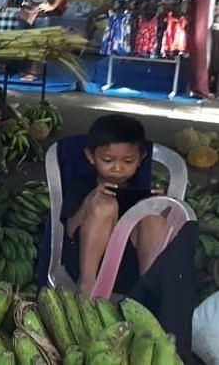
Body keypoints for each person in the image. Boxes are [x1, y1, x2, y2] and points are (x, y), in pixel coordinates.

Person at [63, 114, 167, 296]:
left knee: (152, 217)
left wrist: (159, 206)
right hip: (87, 264)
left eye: (127, 161)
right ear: (91, 156)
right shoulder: (81, 186)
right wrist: (89, 201)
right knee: (104, 205)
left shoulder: (139, 191)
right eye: (108, 160)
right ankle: (87, 289)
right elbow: (70, 230)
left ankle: (148, 291)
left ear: (141, 158)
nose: (117, 168)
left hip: (128, 268)